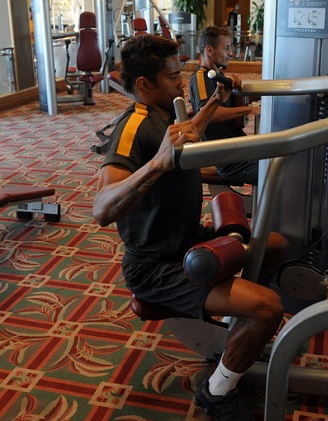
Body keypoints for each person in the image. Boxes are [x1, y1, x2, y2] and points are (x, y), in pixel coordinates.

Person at [93, 33, 287, 421]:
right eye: (172, 77)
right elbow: (101, 209)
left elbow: (190, 132)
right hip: (154, 266)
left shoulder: (164, 112)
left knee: (276, 245)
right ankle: (217, 391)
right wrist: (156, 164)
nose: (181, 83)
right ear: (144, 85)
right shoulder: (133, 127)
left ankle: (235, 332)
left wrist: (215, 100)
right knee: (268, 308)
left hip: (185, 239)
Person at [189, 25, 259, 186]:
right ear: (209, 50)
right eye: (226, 48)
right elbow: (209, 113)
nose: (231, 53)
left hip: (238, 149)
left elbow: (230, 103)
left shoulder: (219, 77)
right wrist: (251, 109)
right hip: (228, 160)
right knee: (283, 173)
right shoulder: (201, 77)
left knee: (279, 158)